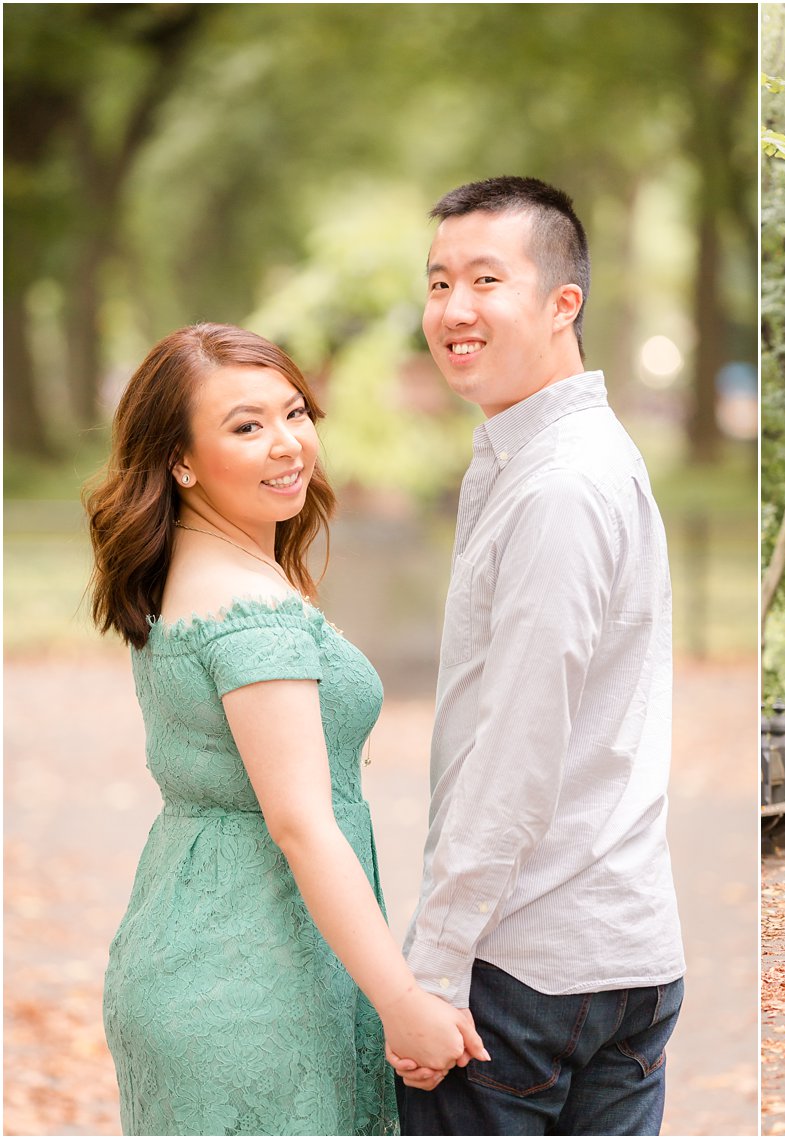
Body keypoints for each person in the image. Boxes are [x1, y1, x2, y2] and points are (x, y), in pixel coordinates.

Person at [87, 323, 485, 1136]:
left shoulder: (194, 570)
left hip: (195, 948)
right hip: (254, 989)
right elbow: (302, 823)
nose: (288, 444)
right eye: (246, 425)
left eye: (295, 413)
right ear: (181, 459)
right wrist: (402, 1002)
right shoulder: (252, 609)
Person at [392, 176, 685, 1135]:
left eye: (485, 278)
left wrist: (431, 968)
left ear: (565, 303)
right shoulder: (575, 457)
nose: (454, 309)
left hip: (524, 977)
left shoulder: (559, 485)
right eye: (439, 283)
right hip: (624, 957)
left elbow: (515, 750)